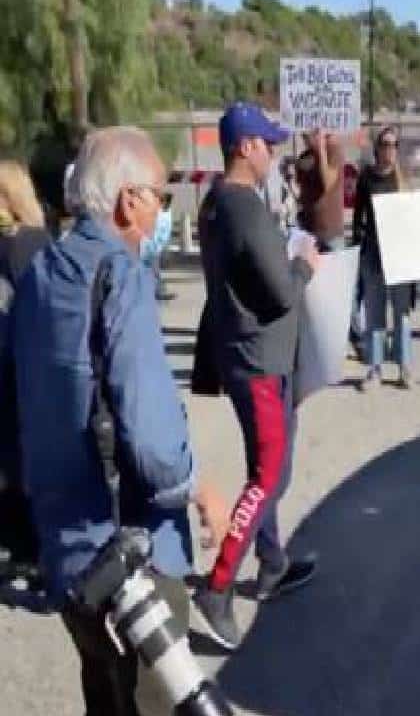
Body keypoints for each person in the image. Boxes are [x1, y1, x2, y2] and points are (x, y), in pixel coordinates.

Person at [10, 128, 228, 715]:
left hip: (67, 556)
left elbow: (13, 412)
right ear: (129, 200)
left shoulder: (35, 277)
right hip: (135, 560)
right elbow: (154, 446)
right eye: (159, 196)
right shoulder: (121, 277)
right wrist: (197, 488)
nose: (162, 212)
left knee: (104, 698)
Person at [194, 102, 321, 651]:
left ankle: (272, 562)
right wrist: (303, 265)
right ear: (245, 147)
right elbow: (279, 291)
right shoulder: (244, 207)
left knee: (269, 466)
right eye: (267, 144)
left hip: (245, 356)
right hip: (260, 362)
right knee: (268, 474)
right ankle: (218, 587)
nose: (272, 152)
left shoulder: (215, 203)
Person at [0, 162, 53, 579]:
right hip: (25, 363)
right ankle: (30, 549)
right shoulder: (34, 244)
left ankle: (21, 545)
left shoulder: (19, 245)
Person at [351, 126, 414, 390]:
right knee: (375, 313)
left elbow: (414, 214)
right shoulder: (366, 178)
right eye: (386, 144)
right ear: (377, 148)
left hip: (400, 254)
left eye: (394, 145)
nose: (390, 149)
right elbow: (358, 216)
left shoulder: (403, 178)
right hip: (374, 253)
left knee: (402, 312)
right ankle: (374, 369)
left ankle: (404, 368)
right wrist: (357, 247)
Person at [295, 128, 346, 251]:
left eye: (308, 133)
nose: (305, 136)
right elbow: (300, 194)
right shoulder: (304, 157)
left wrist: (321, 150)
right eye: (303, 134)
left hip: (330, 234)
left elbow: (328, 183)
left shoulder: (333, 151)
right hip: (308, 231)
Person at [142, 191, 175, 301]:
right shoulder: (162, 213)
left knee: (151, 270)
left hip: (152, 246)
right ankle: (158, 290)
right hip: (151, 247)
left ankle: (156, 290)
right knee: (153, 270)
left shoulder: (163, 213)